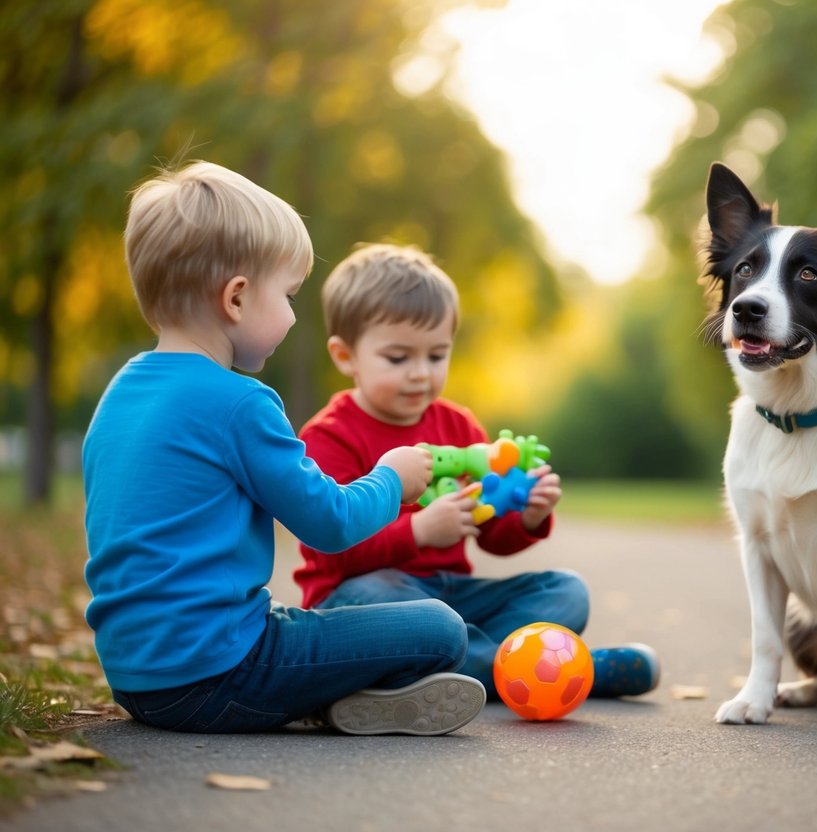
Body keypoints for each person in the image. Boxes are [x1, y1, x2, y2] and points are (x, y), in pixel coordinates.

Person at [82, 162, 486, 737]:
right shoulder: (240, 403)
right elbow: (329, 523)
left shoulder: (121, 393)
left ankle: (341, 699)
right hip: (221, 674)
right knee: (442, 629)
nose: (295, 315)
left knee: (328, 629)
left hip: (137, 679)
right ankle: (341, 693)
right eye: (290, 295)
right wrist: (392, 478)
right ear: (238, 299)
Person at [295, 243, 659, 698]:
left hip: (455, 596)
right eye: (398, 357)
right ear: (346, 356)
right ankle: (562, 673)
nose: (420, 374)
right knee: (385, 600)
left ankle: (436, 671)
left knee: (567, 592)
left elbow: (490, 533)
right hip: (364, 600)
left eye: (436, 355)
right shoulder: (329, 436)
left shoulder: (458, 425)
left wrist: (526, 516)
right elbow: (332, 550)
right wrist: (421, 530)